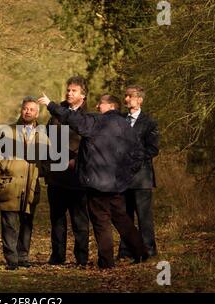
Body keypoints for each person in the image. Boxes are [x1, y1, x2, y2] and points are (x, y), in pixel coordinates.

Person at [38, 93, 149, 269]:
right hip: (116, 183)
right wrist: (126, 175)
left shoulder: (98, 122)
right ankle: (141, 253)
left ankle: (106, 262)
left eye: (101, 104)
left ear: (111, 106)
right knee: (122, 218)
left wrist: (51, 105)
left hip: (97, 182)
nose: (97, 107)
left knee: (101, 222)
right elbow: (138, 154)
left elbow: (71, 118)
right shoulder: (127, 126)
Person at [0, 96, 49, 270]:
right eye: (25, 108)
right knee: (9, 222)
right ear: (21, 109)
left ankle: (23, 256)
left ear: (37, 112)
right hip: (10, 184)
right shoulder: (7, 130)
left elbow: (49, 158)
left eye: (32, 109)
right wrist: (6, 165)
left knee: (27, 223)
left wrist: (41, 171)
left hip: (31, 186)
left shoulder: (43, 133)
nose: (28, 112)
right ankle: (12, 259)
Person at [45, 76, 90, 267]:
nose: (69, 93)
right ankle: (57, 256)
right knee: (57, 218)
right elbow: (50, 135)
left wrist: (76, 159)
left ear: (83, 95)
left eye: (74, 91)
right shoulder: (56, 113)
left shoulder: (89, 116)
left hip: (78, 176)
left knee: (79, 220)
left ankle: (81, 258)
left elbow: (89, 144)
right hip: (57, 173)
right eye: (68, 90)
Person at [118, 85, 159, 259]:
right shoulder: (120, 120)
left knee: (144, 218)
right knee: (124, 217)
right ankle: (126, 252)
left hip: (142, 179)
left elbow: (153, 149)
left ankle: (148, 251)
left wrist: (132, 157)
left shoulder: (150, 122)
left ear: (140, 100)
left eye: (130, 96)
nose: (126, 99)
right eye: (125, 96)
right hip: (121, 178)